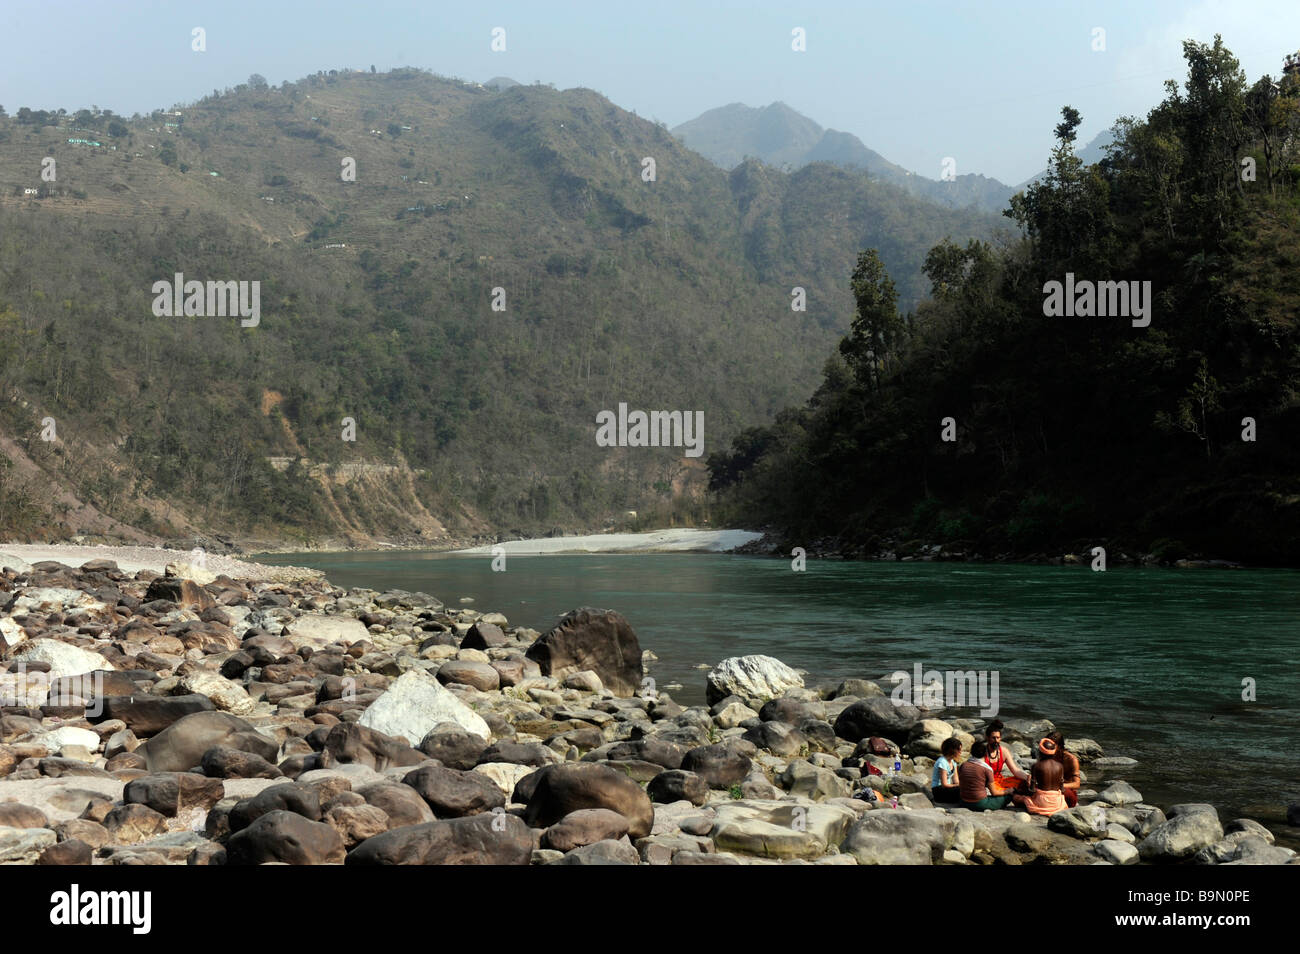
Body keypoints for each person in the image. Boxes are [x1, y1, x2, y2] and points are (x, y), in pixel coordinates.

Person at [1012, 738, 1067, 815]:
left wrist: (1021, 793)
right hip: (1057, 803)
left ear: (1040, 753)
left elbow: (1032, 791)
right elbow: (1062, 789)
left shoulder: (1036, 766)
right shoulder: (1060, 766)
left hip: (1041, 802)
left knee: (1015, 797)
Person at [958, 740, 1011, 811]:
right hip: (980, 803)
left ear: (971, 752)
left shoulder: (963, 765)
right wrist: (1009, 791)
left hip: (963, 802)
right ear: (986, 753)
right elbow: (994, 792)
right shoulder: (987, 769)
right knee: (1009, 796)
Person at [983, 719, 1029, 794]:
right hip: (987, 783)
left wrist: (1028, 777)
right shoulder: (982, 752)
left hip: (1000, 781)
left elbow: (1015, 771)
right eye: (993, 738)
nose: (996, 740)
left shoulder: (1004, 751)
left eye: (998, 738)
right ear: (987, 738)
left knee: (1022, 782)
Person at [1045, 730, 1081, 807]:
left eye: (1052, 745)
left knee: (1066, 793)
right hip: (1047, 789)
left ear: (1059, 746)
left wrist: (1058, 786)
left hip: (1064, 791)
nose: (1048, 747)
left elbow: (1077, 784)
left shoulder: (1071, 759)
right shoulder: (1045, 754)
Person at [931, 737, 962, 803]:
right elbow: (944, 784)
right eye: (959, 750)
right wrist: (959, 786)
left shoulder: (953, 762)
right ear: (952, 750)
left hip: (947, 788)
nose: (960, 752)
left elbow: (956, 781)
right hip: (939, 790)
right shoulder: (942, 762)